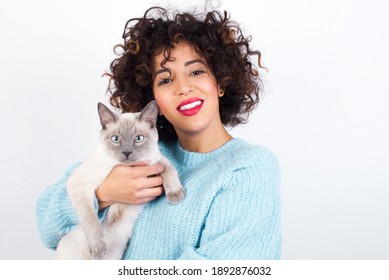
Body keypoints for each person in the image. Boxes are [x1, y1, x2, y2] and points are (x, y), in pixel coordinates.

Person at [36, 6, 281, 260]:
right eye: (165, 80)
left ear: (221, 83)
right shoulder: (137, 151)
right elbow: (46, 225)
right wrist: (103, 194)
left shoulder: (248, 169)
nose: (183, 87)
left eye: (196, 72)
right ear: (154, 104)